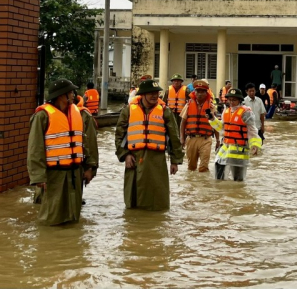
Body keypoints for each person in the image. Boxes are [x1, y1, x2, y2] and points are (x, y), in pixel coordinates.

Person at [27, 79, 98, 226]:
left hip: (75, 173)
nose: (74, 95)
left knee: (73, 216)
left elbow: (83, 143)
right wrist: (39, 176)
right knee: (51, 217)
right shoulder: (42, 116)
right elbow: (35, 148)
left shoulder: (77, 114)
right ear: (61, 95)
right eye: (70, 92)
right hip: (54, 175)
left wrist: (89, 167)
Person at [115, 78, 184, 210]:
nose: (154, 96)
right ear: (142, 94)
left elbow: (174, 137)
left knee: (158, 199)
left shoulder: (165, 111)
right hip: (134, 157)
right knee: (133, 198)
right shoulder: (128, 111)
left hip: (156, 160)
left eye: (156, 93)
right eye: (151, 93)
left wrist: (175, 161)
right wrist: (125, 155)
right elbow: (119, 136)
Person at [207, 88, 262, 181]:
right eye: (230, 100)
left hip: (239, 151)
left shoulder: (246, 113)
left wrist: (255, 145)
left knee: (238, 181)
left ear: (240, 100)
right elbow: (222, 128)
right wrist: (212, 119)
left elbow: (252, 131)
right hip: (225, 148)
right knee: (218, 175)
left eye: (234, 100)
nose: (231, 102)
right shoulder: (226, 111)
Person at [179, 79, 219, 173]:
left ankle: (203, 186)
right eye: (198, 91)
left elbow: (216, 124)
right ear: (194, 92)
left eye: (202, 92)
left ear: (206, 93)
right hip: (191, 138)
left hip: (206, 139)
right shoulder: (188, 105)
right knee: (191, 167)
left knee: (203, 167)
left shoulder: (211, 107)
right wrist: (182, 138)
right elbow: (183, 123)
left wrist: (217, 140)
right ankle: (192, 186)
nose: (199, 94)